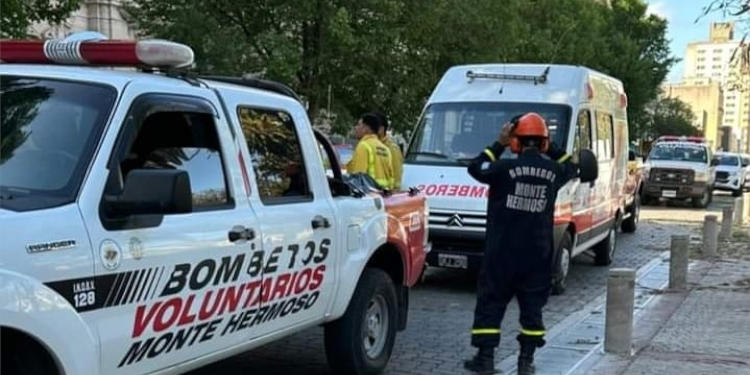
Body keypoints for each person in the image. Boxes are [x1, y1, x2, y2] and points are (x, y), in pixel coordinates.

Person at [463, 113, 578, 375]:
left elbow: (475, 167)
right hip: (537, 254)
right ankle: (525, 361)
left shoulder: (502, 169)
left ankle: (486, 359)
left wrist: (499, 144)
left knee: (491, 304)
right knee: (532, 308)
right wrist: (553, 148)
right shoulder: (553, 171)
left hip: (502, 252)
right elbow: (571, 166)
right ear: (544, 144)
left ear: (516, 142)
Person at [347, 113, 395, 189]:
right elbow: (391, 178)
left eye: (359, 125)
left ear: (366, 128)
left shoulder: (363, 146)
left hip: (369, 195)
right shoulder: (386, 149)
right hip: (384, 196)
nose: (356, 128)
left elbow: (359, 179)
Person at [374, 111, 404, 190]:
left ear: (381, 129)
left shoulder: (392, 149)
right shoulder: (368, 146)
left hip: (386, 197)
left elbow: (397, 180)